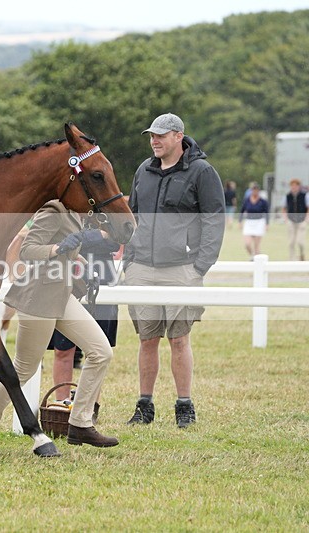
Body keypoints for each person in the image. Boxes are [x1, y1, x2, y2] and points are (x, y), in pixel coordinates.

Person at [0, 200, 119, 455]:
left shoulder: (74, 214)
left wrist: (80, 262)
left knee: (101, 351)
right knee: (23, 369)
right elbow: (28, 250)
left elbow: (66, 247)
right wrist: (59, 248)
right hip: (39, 297)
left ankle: (80, 423)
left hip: (61, 293)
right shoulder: (53, 211)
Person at [124, 113, 225, 428]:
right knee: (146, 339)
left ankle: (184, 406)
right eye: (151, 136)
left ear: (178, 136)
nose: (154, 140)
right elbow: (133, 217)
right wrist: (129, 259)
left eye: (160, 135)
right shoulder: (144, 170)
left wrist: (199, 267)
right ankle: (144, 406)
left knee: (179, 338)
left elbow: (214, 220)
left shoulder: (202, 172)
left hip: (182, 269)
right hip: (141, 267)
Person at [47, 227, 120, 410]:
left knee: (97, 350)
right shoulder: (62, 203)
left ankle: (89, 408)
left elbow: (117, 238)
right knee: (63, 349)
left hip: (102, 276)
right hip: (65, 273)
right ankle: (62, 406)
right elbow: (55, 237)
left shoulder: (107, 203)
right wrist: (98, 236)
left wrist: (77, 239)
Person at [239, 182, 269, 259]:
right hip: (249, 222)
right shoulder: (247, 200)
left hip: (259, 222)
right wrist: (240, 221)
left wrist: (267, 224)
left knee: (256, 246)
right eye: (253, 190)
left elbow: (266, 213)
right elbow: (242, 211)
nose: (255, 192)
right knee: (247, 244)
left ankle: (258, 261)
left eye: (256, 190)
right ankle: (252, 256)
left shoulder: (263, 201)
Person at [282, 178, 308, 261]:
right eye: (292, 185)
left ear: (299, 186)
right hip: (291, 220)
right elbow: (284, 208)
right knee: (291, 242)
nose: (294, 187)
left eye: (295, 185)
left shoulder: (305, 195)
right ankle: (292, 259)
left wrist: (307, 219)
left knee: (300, 241)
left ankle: (302, 255)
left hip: (302, 220)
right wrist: (285, 219)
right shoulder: (287, 196)